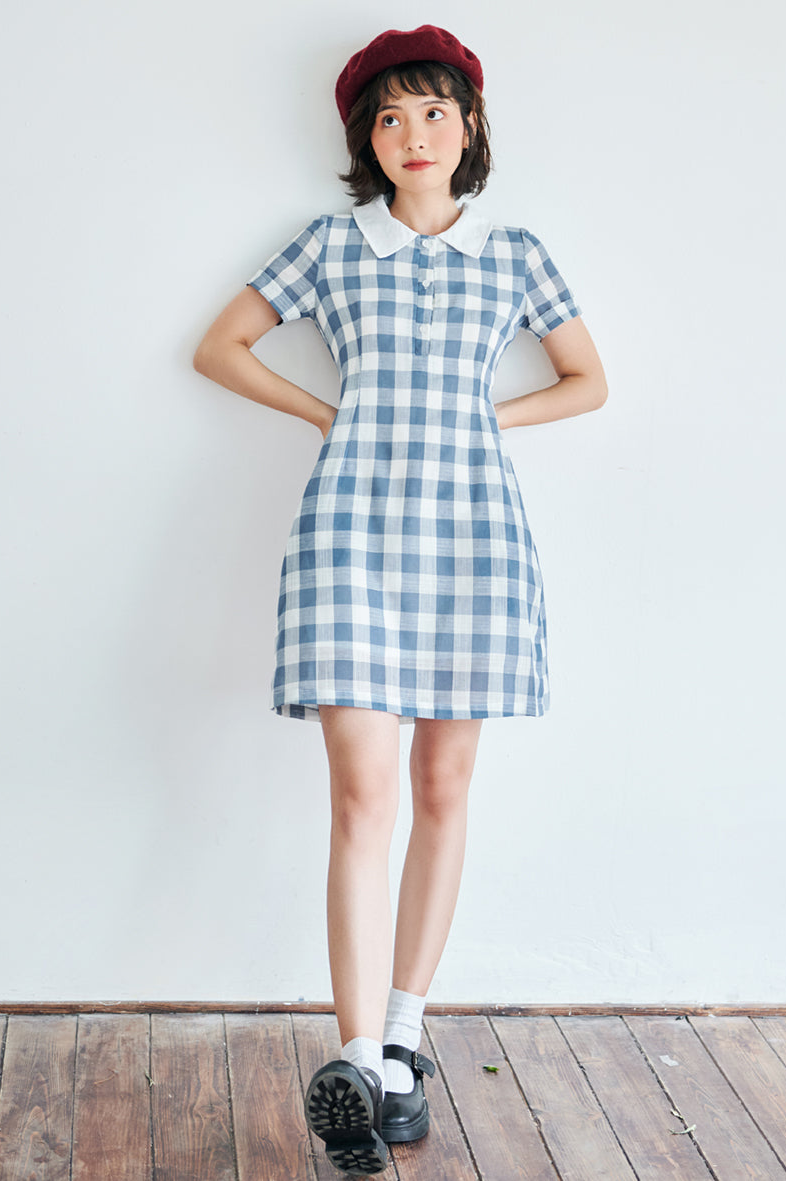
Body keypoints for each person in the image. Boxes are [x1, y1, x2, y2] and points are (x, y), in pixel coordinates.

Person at [194, 24, 608, 1177]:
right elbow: (220, 347)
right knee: (361, 796)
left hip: (474, 538)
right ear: (364, 140)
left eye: (432, 110)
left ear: (468, 125)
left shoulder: (513, 254)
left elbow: (588, 378)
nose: (411, 134)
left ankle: (403, 1035)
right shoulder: (333, 244)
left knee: (440, 786)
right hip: (349, 537)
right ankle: (359, 1060)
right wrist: (325, 413)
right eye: (388, 116)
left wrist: (487, 417)